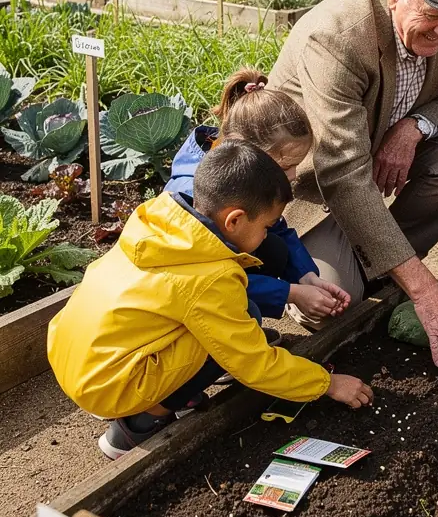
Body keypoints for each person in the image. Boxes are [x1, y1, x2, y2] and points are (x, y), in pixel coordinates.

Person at [268, 0, 438, 376]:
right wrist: (427, 292)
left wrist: (413, 128)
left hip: (376, 161)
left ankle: (382, 261)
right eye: (435, 16)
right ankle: (350, 265)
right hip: (317, 190)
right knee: (334, 302)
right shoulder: (335, 38)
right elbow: (341, 173)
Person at [47, 143, 373, 460]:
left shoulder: (162, 218)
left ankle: (167, 392)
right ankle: (141, 423)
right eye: (266, 227)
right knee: (225, 341)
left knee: (235, 317)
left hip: (73, 352)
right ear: (234, 220)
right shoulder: (210, 278)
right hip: (107, 385)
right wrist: (327, 383)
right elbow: (253, 364)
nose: (266, 235)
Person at [166, 69, 349, 327]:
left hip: (208, 278)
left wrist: (307, 276)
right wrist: (290, 293)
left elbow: (278, 229)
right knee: (250, 307)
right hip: (181, 300)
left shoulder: (239, 179)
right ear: (247, 152)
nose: (294, 174)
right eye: (285, 166)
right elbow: (203, 281)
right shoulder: (191, 197)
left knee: (274, 249)